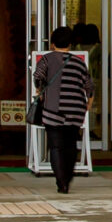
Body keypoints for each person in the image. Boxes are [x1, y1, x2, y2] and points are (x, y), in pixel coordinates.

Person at [33, 28, 94, 192]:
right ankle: (67, 176)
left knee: (55, 146)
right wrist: (88, 104)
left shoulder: (46, 60)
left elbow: (38, 78)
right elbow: (89, 86)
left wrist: (41, 92)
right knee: (71, 145)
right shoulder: (78, 62)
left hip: (52, 110)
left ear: (52, 44)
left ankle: (62, 182)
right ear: (70, 44)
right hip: (75, 110)